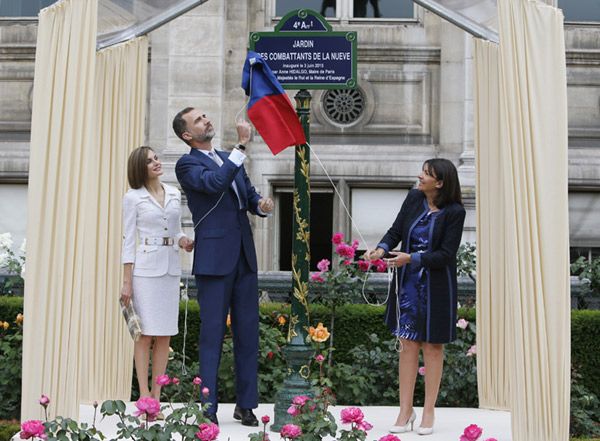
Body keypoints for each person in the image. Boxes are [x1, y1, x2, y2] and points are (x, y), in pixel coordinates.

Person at [172, 107, 274, 426]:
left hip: (243, 254)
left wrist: (261, 205)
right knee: (212, 334)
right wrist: (241, 147)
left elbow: (248, 193)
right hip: (214, 258)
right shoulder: (187, 163)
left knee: (248, 333)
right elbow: (216, 183)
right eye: (199, 120)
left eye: (205, 116)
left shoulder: (228, 157)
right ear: (188, 134)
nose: (207, 120)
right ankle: (207, 407)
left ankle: (246, 405)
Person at [366, 158, 465, 436]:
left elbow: (446, 255)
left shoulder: (455, 212)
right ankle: (405, 411)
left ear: (440, 183)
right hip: (407, 285)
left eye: (426, 174)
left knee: (433, 348)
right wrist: (381, 250)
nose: (419, 176)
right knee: (407, 345)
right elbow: (396, 231)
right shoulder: (413, 198)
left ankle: (429, 411)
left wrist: (412, 258)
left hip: (437, 288)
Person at [120, 146, 194, 404]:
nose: (156, 163)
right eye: (150, 161)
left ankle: (157, 396)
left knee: (164, 334)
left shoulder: (174, 193)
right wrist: (126, 282)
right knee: (144, 334)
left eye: (156, 158)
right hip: (145, 272)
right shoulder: (133, 197)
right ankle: (143, 397)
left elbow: (175, 230)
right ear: (140, 168)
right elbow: (129, 240)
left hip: (170, 270)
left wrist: (184, 240)